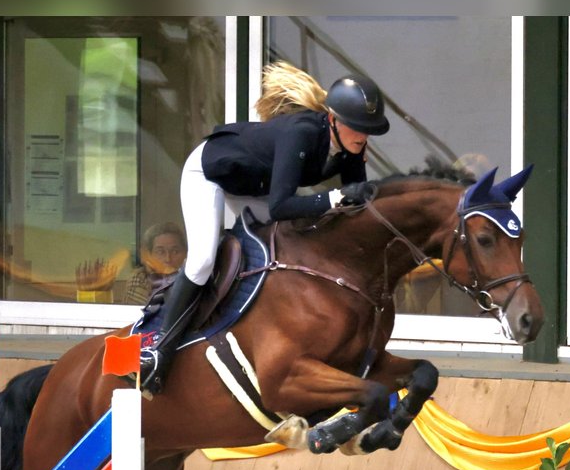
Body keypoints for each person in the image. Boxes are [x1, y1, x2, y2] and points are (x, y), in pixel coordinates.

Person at [138, 62, 391, 393]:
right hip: (211, 174)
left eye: (368, 129)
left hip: (252, 187)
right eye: (357, 127)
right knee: (202, 260)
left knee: (292, 244)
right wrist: (334, 198)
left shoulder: (352, 147)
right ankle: (159, 349)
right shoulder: (301, 133)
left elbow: (354, 205)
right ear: (333, 119)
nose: (363, 136)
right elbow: (281, 207)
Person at [125, 222, 186, 307]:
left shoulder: (192, 276)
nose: (168, 259)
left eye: (175, 251)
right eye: (160, 252)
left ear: (185, 253)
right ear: (150, 255)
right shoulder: (140, 277)